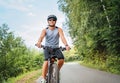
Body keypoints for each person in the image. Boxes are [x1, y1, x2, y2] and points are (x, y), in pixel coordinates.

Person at [35, 15, 70, 83]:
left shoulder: (59, 29)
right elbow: (41, 37)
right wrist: (39, 42)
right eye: (50, 20)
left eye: (53, 20)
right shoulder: (45, 30)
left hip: (56, 48)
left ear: (55, 21)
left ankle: (56, 71)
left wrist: (66, 45)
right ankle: (44, 78)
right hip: (47, 48)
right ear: (48, 21)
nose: (52, 21)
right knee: (46, 61)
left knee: (61, 60)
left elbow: (62, 37)